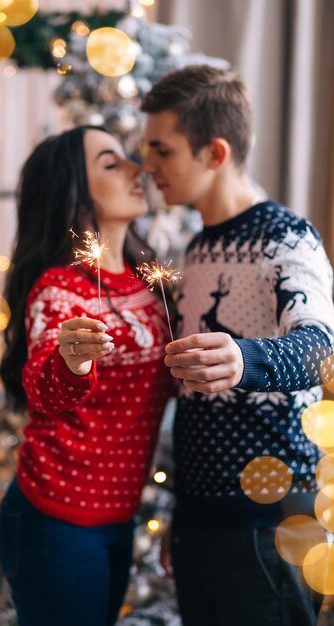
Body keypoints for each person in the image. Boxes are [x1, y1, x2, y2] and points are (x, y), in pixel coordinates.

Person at [140, 64, 334, 626]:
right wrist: (186, 512)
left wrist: (244, 358)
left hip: (267, 525)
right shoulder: (198, 248)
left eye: (163, 150)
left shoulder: (286, 237)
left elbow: (320, 348)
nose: (147, 166)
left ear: (215, 154)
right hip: (204, 522)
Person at [0, 126, 173, 626]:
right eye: (111, 163)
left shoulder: (146, 281)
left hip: (118, 514)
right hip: (58, 516)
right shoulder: (60, 289)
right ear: (72, 190)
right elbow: (43, 388)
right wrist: (71, 361)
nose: (138, 169)